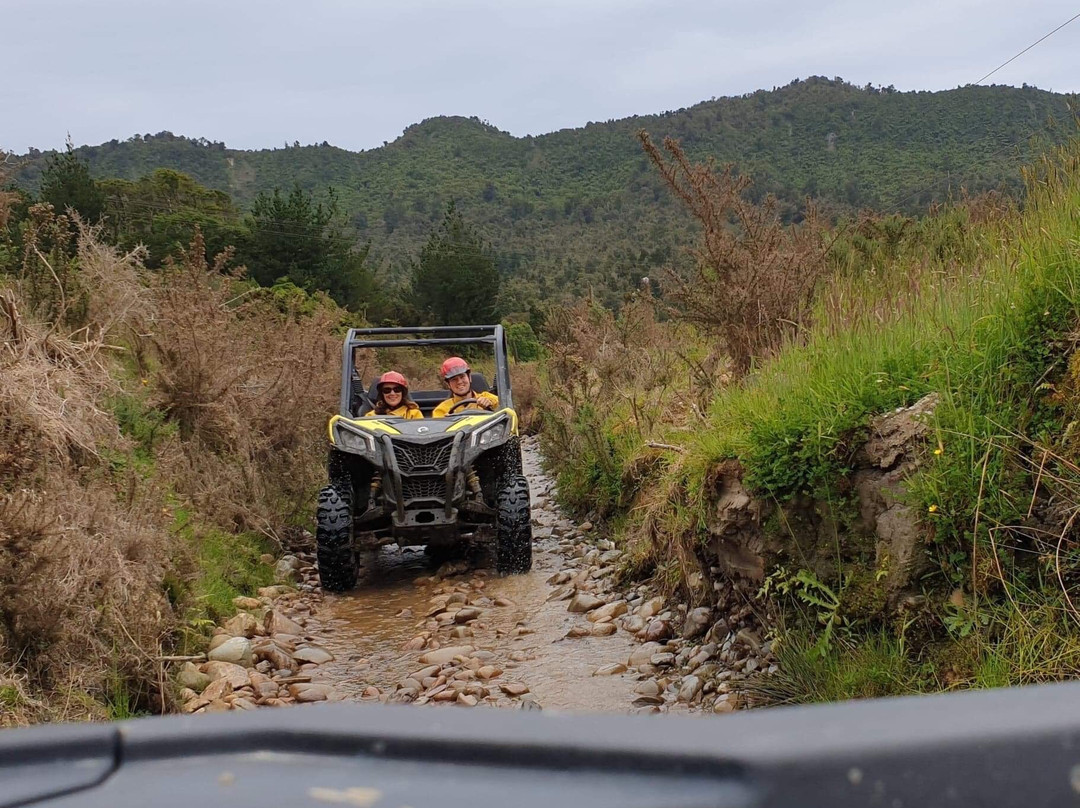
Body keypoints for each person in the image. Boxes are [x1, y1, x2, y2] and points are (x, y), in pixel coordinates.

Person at [431, 357, 498, 418]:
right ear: (448, 384)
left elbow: (502, 405)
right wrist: (447, 422)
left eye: (462, 377)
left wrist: (489, 404)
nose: (459, 382)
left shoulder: (486, 397)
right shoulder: (442, 410)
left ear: (469, 377)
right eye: (454, 379)